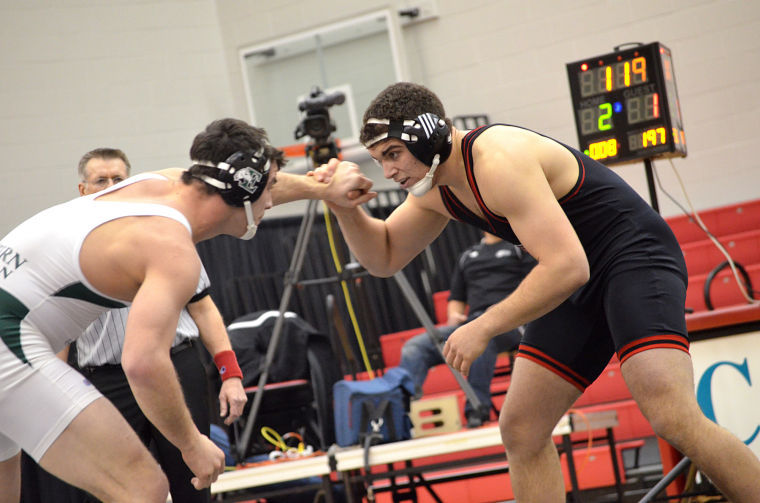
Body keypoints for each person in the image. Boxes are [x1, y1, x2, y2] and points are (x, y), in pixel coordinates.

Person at [313, 82, 760, 502]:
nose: (389, 171)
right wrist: (343, 208)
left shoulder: (496, 159)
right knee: (522, 429)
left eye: (393, 153)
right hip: (575, 273)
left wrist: (483, 325)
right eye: (379, 160)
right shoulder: (435, 189)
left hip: (631, 257)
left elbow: (567, 265)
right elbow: (385, 257)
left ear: (429, 137)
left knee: (670, 413)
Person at [0, 117, 374, 503]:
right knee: (145, 487)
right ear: (244, 192)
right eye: (268, 189)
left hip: (13, 331)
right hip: (9, 341)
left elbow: (254, 184)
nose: (270, 201)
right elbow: (143, 363)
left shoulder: (164, 182)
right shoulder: (173, 249)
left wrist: (324, 188)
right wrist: (192, 443)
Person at [20, 147, 248, 503]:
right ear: (83, 190)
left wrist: (230, 372)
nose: (111, 186)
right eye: (101, 181)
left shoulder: (164, 233)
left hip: (174, 369)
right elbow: (56, 331)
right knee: (113, 490)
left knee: (193, 483)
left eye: (118, 180)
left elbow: (203, 309)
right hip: (107, 380)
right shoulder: (65, 243)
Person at [399, 231, 535, 427]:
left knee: (480, 335)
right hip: (473, 321)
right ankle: (400, 412)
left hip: (511, 322)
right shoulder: (467, 256)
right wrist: (454, 316)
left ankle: (476, 409)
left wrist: (500, 314)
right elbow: (456, 299)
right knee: (416, 347)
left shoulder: (518, 247)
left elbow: (533, 287)